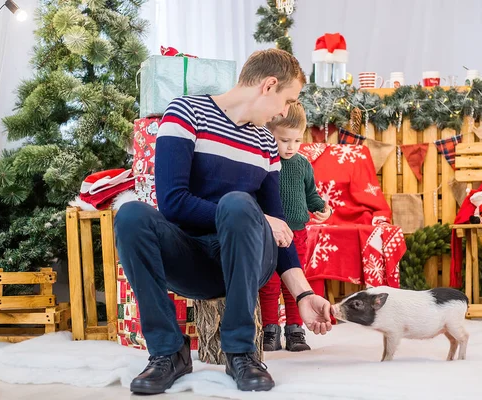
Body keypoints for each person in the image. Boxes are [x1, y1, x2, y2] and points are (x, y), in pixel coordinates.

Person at [114, 49, 332, 395]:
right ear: (268, 86)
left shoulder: (265, 143)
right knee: (130, 215)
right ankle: (168, 351)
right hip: (192, 260)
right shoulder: (185, 113)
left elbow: (279, 230)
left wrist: (303, 294)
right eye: (287, 100)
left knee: (238, 204)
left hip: (247, 260)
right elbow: (172, 203)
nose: (284, 112)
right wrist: (255, 215)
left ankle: (241, 351)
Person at [259, 102, 332, 352]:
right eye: (284, 140)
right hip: (268, 232)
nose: (291, 147)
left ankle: (295, 330)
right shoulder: (264, 161)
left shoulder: (302, 164)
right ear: (269, 134)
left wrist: (323, 207)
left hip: (298, 233)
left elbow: (311, 194)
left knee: (295, 284)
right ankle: (270, 330)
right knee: (269, 284)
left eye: (297, 140)